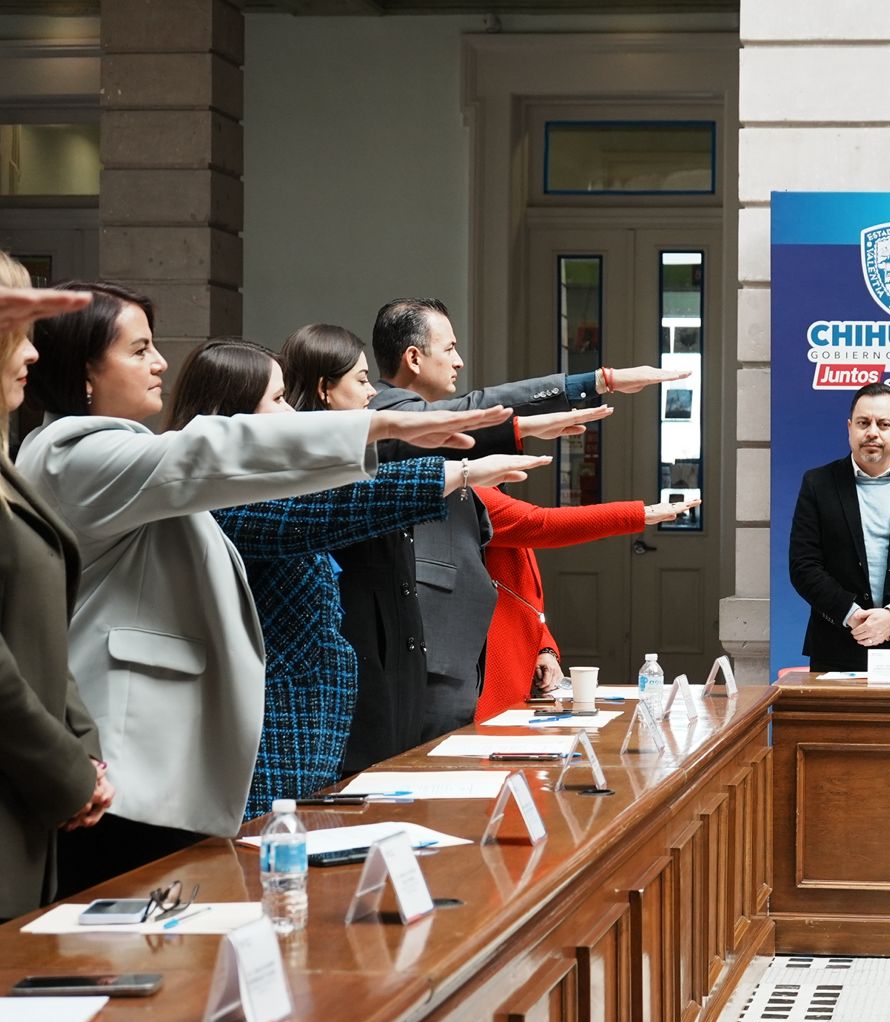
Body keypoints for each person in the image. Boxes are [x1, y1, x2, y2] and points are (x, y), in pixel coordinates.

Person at [17, 281, 514, 893]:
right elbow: (217, 452)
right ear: (84, 371)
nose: (160, 362)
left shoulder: (123, 455)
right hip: (133, 763)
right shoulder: (76, 452)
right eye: (139, 349)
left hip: (168, 761)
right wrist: (384, 428)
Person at [164, 338, 541, 817]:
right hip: (269, 737)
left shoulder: (260, 483)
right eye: (277, 399)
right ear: (232, 417)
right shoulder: (218, 498)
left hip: (310, 734)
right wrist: (459, 473)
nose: (292, 412)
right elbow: (338, 506)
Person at [275, 323, 602, 773]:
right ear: (324, 390)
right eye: (362, 380)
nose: (372, 393)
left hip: (406, 656)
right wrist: (490, 454)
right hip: (355, 667)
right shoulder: (324, 462)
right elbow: (407, 472)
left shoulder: (363, 449)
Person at [368, 297, 685, 738]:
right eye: (449, 348)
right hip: (436, 652)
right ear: (414, 358)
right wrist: (598, 382)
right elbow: (533, 519)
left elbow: (518, 567)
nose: (459, 361)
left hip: (464, 648)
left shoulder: (438, 432)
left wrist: (545, 643)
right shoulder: (389, 417)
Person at [0, 253, 110, 920]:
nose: (33, 354)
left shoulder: (8, 468)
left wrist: (84, 756)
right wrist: (68, 772)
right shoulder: (74, 448)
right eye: (17, 333)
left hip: (30, 801)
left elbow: (41, 634)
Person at [474, 488, 702, 722]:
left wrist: (544, 648)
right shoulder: (472, 492)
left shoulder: (485, 488)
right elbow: (540, 524)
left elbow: (519, 590)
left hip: (511, 661)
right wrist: (641, 514)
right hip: (491, 667)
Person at [789, 382, 890, 673]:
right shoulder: (818, 484)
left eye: (883, 424)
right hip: (836, 645)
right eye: (863, 423)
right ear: (849, 428)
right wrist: (851, 615)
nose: (872, 432)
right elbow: (804, 566)